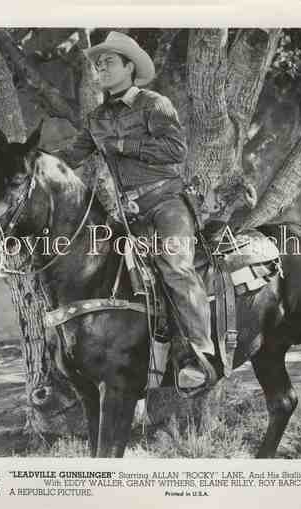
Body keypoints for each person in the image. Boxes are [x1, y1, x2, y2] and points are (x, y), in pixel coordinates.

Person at [55, 31, 220, 393]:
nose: (101, 68)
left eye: (108, 62)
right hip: (128, 213)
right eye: (97, 64)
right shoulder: (96, 118)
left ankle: (201, 356)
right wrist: (31, 162)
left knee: (175, 266)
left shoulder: (153, 104)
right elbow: (72, 155)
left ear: (129, 67)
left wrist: (122, 144)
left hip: (166, 203)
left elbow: (175, 149)